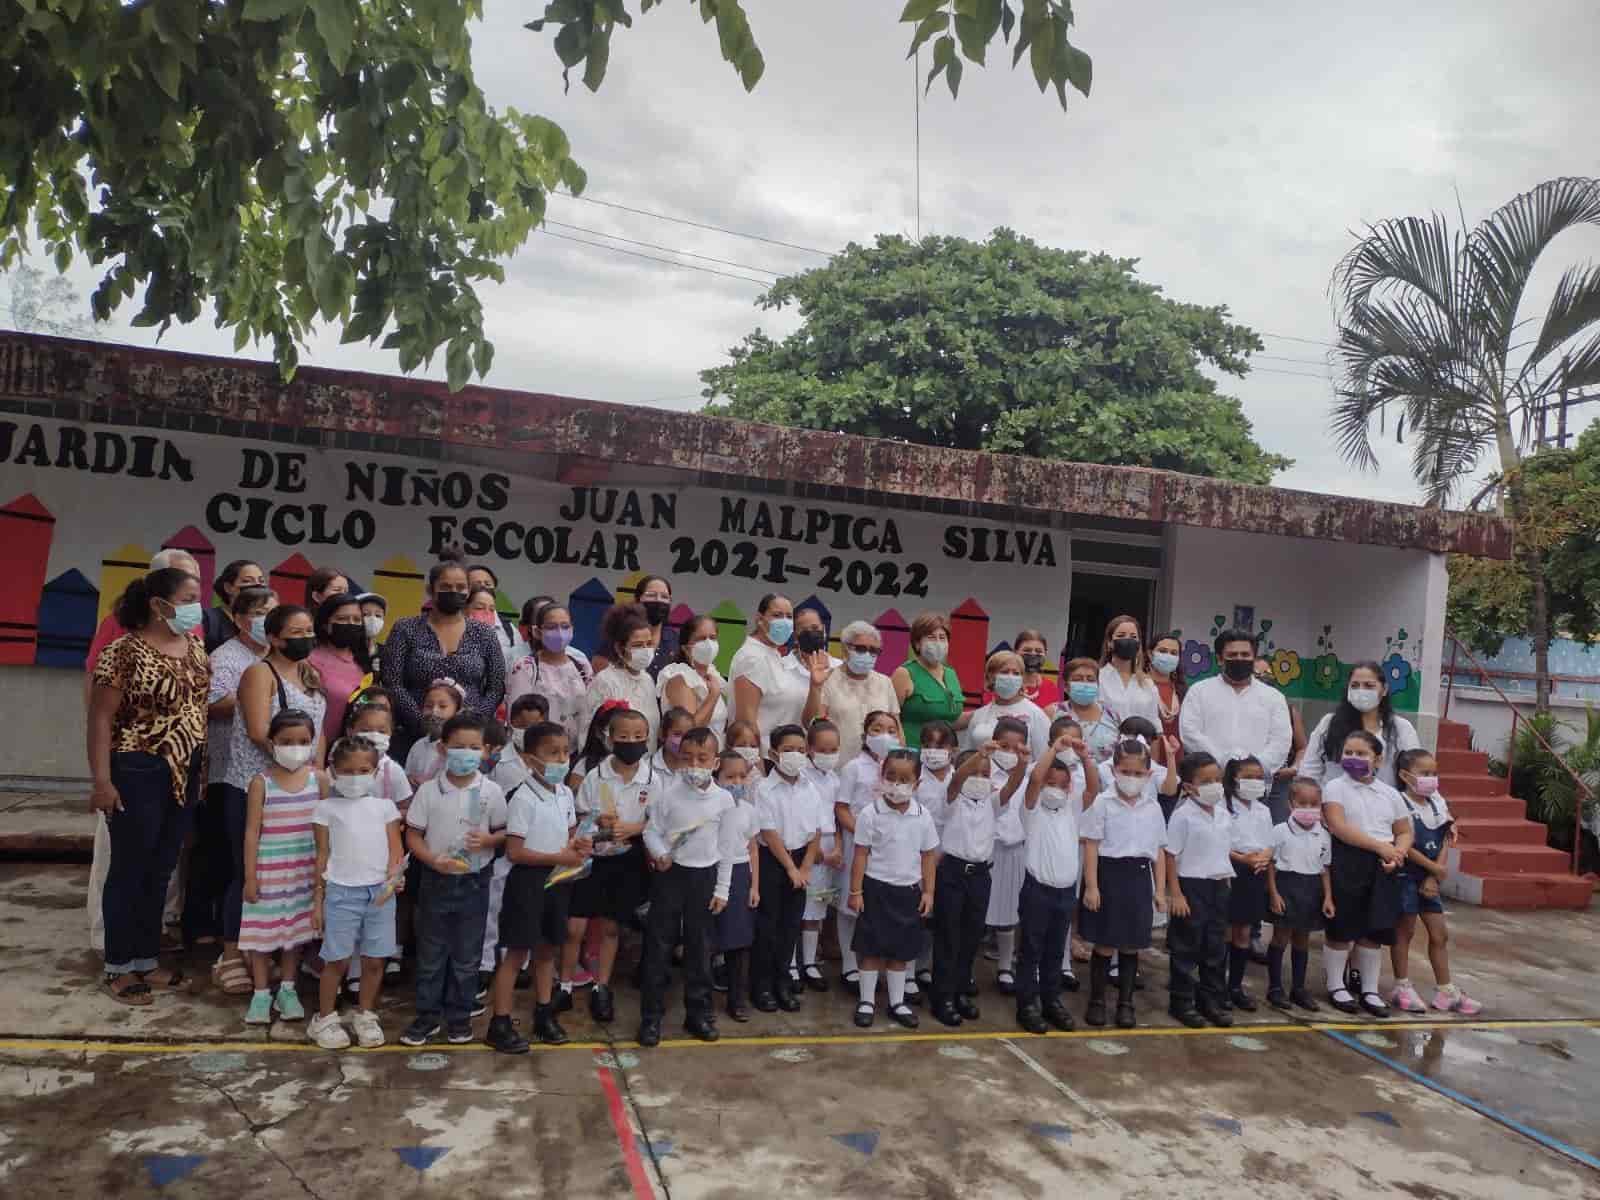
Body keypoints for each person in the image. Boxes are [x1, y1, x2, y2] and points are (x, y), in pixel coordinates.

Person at [87, 566, 210, 1005]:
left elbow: (198, 710)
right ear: (160, 604)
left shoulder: (195, 647)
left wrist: (199, 774)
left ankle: (145, 957)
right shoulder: (123, 651)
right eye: (190, 596)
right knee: (129, 869)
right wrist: (102, 781)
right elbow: (100, 718)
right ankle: (119, 966)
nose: (198, 605)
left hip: (186, 770)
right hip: (138, 768)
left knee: (161, 868)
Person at [400, 713, 508, 1046]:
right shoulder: (430, 791)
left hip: (475, 881)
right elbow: (413, 836)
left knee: (467, 954)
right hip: (436, 879)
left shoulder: (491, 790)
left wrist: (489, 841)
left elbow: (504, 832)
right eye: (458, 746)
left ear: (485, 750)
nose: (466, 753)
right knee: (431, 953)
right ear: (444, 748)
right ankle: (427, 1017)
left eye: (474, 747)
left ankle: (459, 1017)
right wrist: (433, 859)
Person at [485, 722, 590, 1053]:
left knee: (547, 951)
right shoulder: (523, 798)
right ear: (531, 760)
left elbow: (572, 833)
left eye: (565, 752)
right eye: (552, 753)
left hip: (558, 882)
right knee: (517, 953)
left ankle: (544, 1014)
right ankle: (500, 1023)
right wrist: (559, 855)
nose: (561, 759)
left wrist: (582, 844)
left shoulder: (564, 793)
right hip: (528, 882)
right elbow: (515, 851)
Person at [196, 584, 276, 990]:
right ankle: (231, 952)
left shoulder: (280, 661)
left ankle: (259, 948)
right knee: (236, 865)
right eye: (260, 612)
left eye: (272, 612)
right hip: (234, 771)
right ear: (241, 618)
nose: (266, 620)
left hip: (278, 777)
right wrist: (252, 698)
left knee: (270, 867)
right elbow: (208, 706)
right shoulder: (226, 657)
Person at [638, 726, 736, 1046]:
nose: (694, 765)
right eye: (687, 758)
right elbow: (650, 831)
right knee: (658, 947)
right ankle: (651, 1019)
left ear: (715, 761)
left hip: (705, 879)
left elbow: (727, 848)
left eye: (702, 758)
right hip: (671, 877)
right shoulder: (667, 794)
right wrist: (660, 853)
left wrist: (722, 890)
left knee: (700, 950)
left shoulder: (724, 800)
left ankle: (698, 1014)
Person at [562, 706, 655, 1023]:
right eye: (624, 737)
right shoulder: (595, 776)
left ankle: (602, 987)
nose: (632, 742)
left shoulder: (652, 779)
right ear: (610, 738)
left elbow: (659, 822)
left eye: (639, 737)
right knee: (575, 925)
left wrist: (635, 829)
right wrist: (597, 821)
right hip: (593, 859)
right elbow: (577, 819)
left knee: (611, 926)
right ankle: (563, 985)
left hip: (627, 861)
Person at [306, 736, 400, 1049]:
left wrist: (393, 880)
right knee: (337, 959)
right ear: (333, 771)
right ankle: (324, 1018)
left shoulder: (385, 808)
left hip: (380, 894)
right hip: (341, 893)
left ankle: (366, 1014)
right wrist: (317, 901)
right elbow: (321, 856)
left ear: (375, 772)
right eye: (347, 771)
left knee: (375, 959)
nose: (356, 777)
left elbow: (395, 853)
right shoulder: (325, 808)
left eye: (364, 770)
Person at [238, 709, 322, 1026]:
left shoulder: (320, 780)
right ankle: (261, 993)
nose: (295, 747)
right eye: (286, 741)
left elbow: (326, 829)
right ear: (272, 742)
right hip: (268, 869)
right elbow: (251, 832)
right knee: (262, 934)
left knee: (294, 934)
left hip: (304, 869)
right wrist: (250, 876)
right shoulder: (262, 783)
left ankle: (288, 989)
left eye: (303, 741)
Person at [380, 551, 505, 762]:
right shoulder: (406, 628)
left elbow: (496, 687)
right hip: (414, 737)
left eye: (460, 588)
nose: (453, 592)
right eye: (446, 587)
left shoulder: (485, 633)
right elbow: (393, 682)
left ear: (469, 591)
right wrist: (423, 722)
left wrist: (472, 724)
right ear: (431, 590)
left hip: (468, 742)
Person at [1321, 730, 1412, 1016]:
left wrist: (1397, 853)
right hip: (1349, 859)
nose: (1353, 758)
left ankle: (1370, 990)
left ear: (1378, 758)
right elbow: (1338, 826)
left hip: (1385, 864)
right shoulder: (1335, 787)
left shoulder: (1390, 794)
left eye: (1361, 753)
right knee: (1342, 926)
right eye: (1348, 752)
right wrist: (1380, 848)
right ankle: (1336, 985)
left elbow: (1404, 831)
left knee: (1375, 928)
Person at [846, 747, 938, 1029]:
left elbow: (928, 856)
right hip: (876, 889)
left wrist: (928, 891)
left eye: (904, 779)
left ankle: (897, 1002)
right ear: (881, 777)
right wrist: (856, 891)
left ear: (917, 784)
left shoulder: (922, 816)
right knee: (871, 950)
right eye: (890, 777)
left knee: (900, 953)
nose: (896, 785)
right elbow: (860, 854)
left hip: (907, 892)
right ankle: (867, 1001)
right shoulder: (870, 814)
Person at [1079, 738, 1167, 1028]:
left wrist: (1161, 890)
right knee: (1105, 943)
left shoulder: (1152, 808)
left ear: (1148, 774)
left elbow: (1158, 851)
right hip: (1109, 875)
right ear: (1114, 770)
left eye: (1138, 773)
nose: (1132, 778)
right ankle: (1097, 1001)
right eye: (1125, 772)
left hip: (1139, 877)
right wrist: (1092, 886)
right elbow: (1091, 845)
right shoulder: (1102, 803)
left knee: (1132, 945)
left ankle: (1126, 1003)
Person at [1389, 749, 1481, 1015]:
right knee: (1404, 932)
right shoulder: (1400, 803)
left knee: (1440, 934)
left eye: (1434, 773)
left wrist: (1433, 874)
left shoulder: (1437, 804)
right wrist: (1432, 868)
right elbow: (1403, 843)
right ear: (1405, 776)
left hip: (1430, 878)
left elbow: (1443, 839)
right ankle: (1401, 985)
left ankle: (1446, 990)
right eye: (1424, 773)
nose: (1431, 779)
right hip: (1406, 875)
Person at [1014, 732, 1091, 1035]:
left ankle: (1051, 999)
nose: (1056, 790)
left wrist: (1085, 758)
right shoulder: (1032, 811)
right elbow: (1033, 779)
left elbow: (1094, 787)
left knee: (1055, 951)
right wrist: (1054, 749)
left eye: (1062, 785)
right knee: (1031, 948)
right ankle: (1027, 1003)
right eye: (1051, 783)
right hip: (1037, 889)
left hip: (1064, 892)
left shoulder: (1071, 811)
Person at [752, 724, 825, 1012]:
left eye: (800, 750)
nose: (795, 755)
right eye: (787, 750)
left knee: (790, 926)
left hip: (801, 861)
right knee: (767, 926)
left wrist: (804, 868)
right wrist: (790, 869)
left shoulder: (811, 788)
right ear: (773, 753)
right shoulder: (764, 789)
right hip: (773, 860)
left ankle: (783, 982)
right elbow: (769, 833)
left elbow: (816, 830)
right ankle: (762, 986)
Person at [833, 710, 903, 991]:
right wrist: (861, 834)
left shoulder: (901, 767)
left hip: (890, 847)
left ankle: (879, 966)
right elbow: (841, 807)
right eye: (877, 729)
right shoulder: (853, 768)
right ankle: (850, 966)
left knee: (881, 905)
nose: (884, 735)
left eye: (890, 729)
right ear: (865, 735)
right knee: (851, 904)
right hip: (857, 843)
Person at [1164, 751, 1234, 1029]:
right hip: (1192, 887)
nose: (1215, 785)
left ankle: (1210, 1000)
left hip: (1218, 885)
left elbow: (1223, 848)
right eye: (1206, 781)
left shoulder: (1223, 813)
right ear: (1190, 786)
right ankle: (1181, 1002)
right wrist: (1176, 894)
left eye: (1217, 779)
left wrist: (1225, 878)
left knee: (1215, 947)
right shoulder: (1183, 816)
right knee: (1186, 947)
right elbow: (1170, 854)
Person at [930, 748, 1000, 1026]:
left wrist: (1020, 761)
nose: (980, 779)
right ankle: (942, 997)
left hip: (980, 874)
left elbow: (1017, 783)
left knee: (972, 936)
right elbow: (958, 778)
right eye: (975, 773)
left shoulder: (991, 803)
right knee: (948, 936)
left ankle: (960, 991)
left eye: (986, 774)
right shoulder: (952, 799)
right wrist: (979, 755)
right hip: (952, 872)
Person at [1178, 628, 1292, 776]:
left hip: (1254, 781)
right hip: (1210, 779)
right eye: (1232, 655)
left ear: (1254, 658)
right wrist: (1223, 762)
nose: (1239, 659)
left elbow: (1281, 741)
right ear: (1219, 659)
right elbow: (1190, 733)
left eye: (1245, 655)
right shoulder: (1199, 691)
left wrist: (1253, 768)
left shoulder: (1274, 697)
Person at [1266, 777, 1335, 1012]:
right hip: (1287, 886)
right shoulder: (1280, 831)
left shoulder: (1323, 834)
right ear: (1290, 804)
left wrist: (1327, 897)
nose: (1308, 809)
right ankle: (1275, 988)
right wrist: (1274, 894)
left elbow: (1324, 868)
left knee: (1302, 939)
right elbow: (1271, 865)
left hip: (1311, 888)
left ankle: (1298, 988)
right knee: (1280, 937)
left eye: (1314, 804)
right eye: (1302, 803)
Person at [1298, 661, 1421, 789]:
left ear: (1384, 690)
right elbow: (1310, 770)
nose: (1361, 691)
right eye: (1355, 685)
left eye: (1369, 686)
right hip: (1334, 804)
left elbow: (1416, 771)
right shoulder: (1329, 723)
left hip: (1382, 805)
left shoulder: (1400, 728)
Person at [731, 596, 833, 744]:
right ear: (759, 619)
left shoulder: (773, 654)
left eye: (789, 617)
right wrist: (757, 763)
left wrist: (815, 686)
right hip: (763, 756)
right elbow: (746, 724)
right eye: (777, 615)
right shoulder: (752, 657)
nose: (784, 621)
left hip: (783, 756)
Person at [980, 716, 1033, 996]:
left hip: (1014, 848)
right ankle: (966, 970)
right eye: (1004, 745)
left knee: (1008, 911)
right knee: (977, 913)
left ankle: (1004, 966)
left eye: (1017, 748)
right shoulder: (982, 769)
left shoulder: (1029, 775)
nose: (1010, 752)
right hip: (984, 850)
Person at [807, 620, 900, 761]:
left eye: (873, 651)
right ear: (845, 649)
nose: (867, 654)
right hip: (837, 766)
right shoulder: (827, 679)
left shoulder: (885, 682)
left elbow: (897, 731)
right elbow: (813, 723)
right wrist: (815, 687)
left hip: (876, 769)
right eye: (861, 649)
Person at [1223, 756, 1274, 1012]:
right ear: (1233, 778)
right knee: (1225, 929)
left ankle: (1235, 986)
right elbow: (1221, 842)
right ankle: (1216, 983)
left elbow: (1268, 842)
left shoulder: (1263, 810)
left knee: (1243, 931)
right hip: (1231, 870)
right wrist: (1242, 858)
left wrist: (1264, 856)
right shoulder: (1224, 805)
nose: (1255, 782)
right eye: (1248, 776)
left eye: (1258, 777)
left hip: (1255, 872)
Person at [713, 750, 761, 1021]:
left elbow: (753, 849)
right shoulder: (711, 808)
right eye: (730, 777)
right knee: (710, 938)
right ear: (717, 777)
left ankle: (737, 999)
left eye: (742, 776)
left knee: (740, 941)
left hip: (741, 874)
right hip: (713, 870)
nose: (737, 782)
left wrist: (754, 886)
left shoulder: (749, 811)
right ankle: (703, 997)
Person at [507, 599, 593, 747]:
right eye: (551, 627)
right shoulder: (526, 667)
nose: (560, 633)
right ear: (537, 632)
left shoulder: (582, 665)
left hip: (574, 752)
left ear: (572, 630)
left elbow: (589, 710)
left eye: (565, 626)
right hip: (537, 752)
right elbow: (517, 719)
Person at [798, 719, 844, 991]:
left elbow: (835, 818)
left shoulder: (835, 779)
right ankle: (795, 961)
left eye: (834, 750)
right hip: (810, 850)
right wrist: (819, 855)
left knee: (818, 908)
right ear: (810, 749)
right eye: (823, 750)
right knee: (801, 908)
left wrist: (837, 848)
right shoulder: (803, 778)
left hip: (829, 852)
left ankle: (811, 961)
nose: (829, 755)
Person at [583, 604, 662, 750]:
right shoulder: (605, 681)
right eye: (638, 645)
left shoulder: (648, 680)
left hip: (645, 768)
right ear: (619, 648)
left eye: (649, 644)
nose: (645, 650)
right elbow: (592, 735)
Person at [891, 611, 964, 748]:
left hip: (943, 754)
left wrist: (988, 712)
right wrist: (900, 746)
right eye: (931, 638)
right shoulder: (905, 673)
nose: (938, 643)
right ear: (917, 643)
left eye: (942, 638)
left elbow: (954, 719)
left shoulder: (951, 674)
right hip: (911, 752)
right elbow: (891, 716)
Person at [309, 594, 370, 748]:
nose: (351, 624)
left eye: (357, 620)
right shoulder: (310, 661)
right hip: (318, 750)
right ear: (325, 624)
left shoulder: (364, 662)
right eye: (343, 619)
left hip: (355, 752)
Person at [659, 613, 728, 748]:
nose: (708, 644)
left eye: (712, 638)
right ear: (685, 648)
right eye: (701, 639)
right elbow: (689, 732)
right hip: (689, 759)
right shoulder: (679, 678)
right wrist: (713, 695)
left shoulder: (712, 674)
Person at [1253, 658, 1307, 824]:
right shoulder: (1239, 709)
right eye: (1257, 674)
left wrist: (1294, 768)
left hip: (1280, 782)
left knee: (1278, 828)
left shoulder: (1288, 710)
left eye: (1268, 673)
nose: (1264, 677)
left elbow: (1302, 748)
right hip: (1250, 780)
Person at [968, 650, 1052, 755]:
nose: (1010, 677)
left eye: (1016, 673)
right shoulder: (979, 714)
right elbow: (967, 755)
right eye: (1004, 672)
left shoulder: (1036, 714)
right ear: (990, 676)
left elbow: (1043, 758)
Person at [1098, 615, 1161, 726]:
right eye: (1121, 635)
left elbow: (1154, 726)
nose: (1127, 640)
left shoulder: (1148, 684)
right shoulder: (1098, 678)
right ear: (1109, 642)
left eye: (1133, 636)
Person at [402, 678, 464, 788]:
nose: (434, 712)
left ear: (457, 713)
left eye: (443, 706)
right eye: (428, 706)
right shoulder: (418, 746)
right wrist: (408, 779)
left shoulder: (459, 750)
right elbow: (407, 775)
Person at [466, 563, 528, 667]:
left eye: (487, 584)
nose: (483, 587)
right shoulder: (453, 624)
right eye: (477, 584)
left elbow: (518, 663)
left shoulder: (509, 628)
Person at [1062, 657, 1121, 762]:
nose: (1085, 683)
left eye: (1090, 679)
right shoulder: (1053, 712)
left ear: (1097, 685)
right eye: (1078, 679)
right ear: (1066, 686)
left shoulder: (1112, 715)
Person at [203, 559, 266, 653]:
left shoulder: (266, 620)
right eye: (247, 581)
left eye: (261, 580)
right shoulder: (208, 619)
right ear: (228, 588)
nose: (257, 585)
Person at [1148, 632, 1186, 754]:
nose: (1168, 656)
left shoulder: (1183, 690)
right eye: (1163, 651)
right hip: (1144, 760)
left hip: (1177, 761)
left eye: (1174, 653)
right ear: (1150, 654)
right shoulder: (1140, 686)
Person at [1013, 629, 1062, 713]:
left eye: (1038, 651)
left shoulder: (1051, 688)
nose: (1033, 654)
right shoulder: (1005, 685)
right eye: (1027, 650)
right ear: (1015, 652)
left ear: (1045, 654)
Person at [356, 592, 389, 680]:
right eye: (365, 614)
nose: (372, 619)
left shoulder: (385, 652)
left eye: (378, 615)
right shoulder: (347, 650)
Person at [655, 706, 694, 776]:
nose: (683, 740)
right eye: (677, 734)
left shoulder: (696, 770)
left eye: (688, 735)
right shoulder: (647, 769)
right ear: (662, 734)